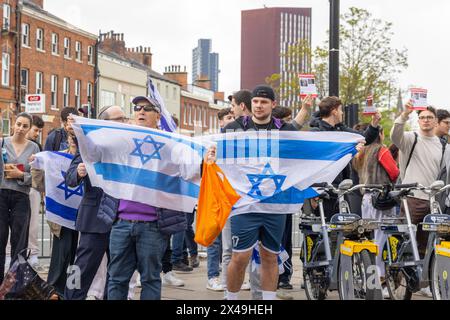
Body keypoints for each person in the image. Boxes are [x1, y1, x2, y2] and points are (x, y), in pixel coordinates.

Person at [217, 85, 312, 300]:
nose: (259, 106)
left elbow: (306, 153)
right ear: (250, 104)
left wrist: (351, 146)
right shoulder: (233, 128)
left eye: (264, 102)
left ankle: (267, 302)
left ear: (273, 104)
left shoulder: (283, 130)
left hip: (274, 204)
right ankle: (230, 300)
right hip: (244, 204)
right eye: (256, 102)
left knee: (270, 256)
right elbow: (222, 158)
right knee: (240, 257)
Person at [107, 96, 172, 300]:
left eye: (148, 108)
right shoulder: (123, 141)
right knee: (116, 278)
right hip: (122, 223)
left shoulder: (170, 144)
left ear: (158, 116)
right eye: (137, 108)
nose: (141, 111)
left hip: (153, 225)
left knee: (151, 279)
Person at [63, 106, 125, 300]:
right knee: (80, 269)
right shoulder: (90, 144)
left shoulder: (129, 147)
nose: (124, 122)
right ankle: (70, 297)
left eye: (125, 118)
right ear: (106, 122)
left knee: (117, 273)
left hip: (122, 219)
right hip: (94, 219)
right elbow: (70, 178)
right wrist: (79, 171)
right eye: (119, 119)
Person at [391, 103, 443, 297]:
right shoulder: (410, 138)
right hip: (412, 199)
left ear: (436, 121)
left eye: (430, 117)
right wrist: (404, 114)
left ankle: (427, 282)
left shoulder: (443, 144)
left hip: (434, 201)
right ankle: (397, 282)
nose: (426, 120)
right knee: (406, 242)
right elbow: (395, 135)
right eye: (423, 117)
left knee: (429, 245)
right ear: (418, 120)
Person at [308, 97, 381, 220]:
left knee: (343, 229)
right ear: (334, 111)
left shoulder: (341, 130)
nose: (342, 113)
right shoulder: (316, 132)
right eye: (341, 110)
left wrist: (374, 123)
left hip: (341, 188)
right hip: (321, 191)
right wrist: (311, 192)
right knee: (322, 232)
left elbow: (364, 138)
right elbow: (310, 165)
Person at [353, 126, 399, 297]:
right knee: (382, 239)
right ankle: (380, 280)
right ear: (380, 134)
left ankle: (369, 280)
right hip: (381, 199)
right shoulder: (381, 150)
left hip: (366, 198)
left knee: (369, 240)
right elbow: (394, 172)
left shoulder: (360, 152)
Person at [0, 113, 40, 284]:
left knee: (19, 242)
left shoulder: (34, 149)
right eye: (18, 124)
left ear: (29, 128)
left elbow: (38, 178)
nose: (21, 129)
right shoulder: (2, 143)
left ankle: (12, 286)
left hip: (21, 197)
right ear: (13, 125)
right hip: (1, 195)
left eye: (25, 126)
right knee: (0, 239)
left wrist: (21, 175)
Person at [45, 107, 80, 297]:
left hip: (81, 215)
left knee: (78, 255)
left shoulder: (86, 154)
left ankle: (73, 290)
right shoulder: (56, 145)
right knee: (61, 253)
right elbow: (44, 166)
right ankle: (54, 290)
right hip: (61, 211)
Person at [26, 115, 44, 269]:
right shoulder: (8, 144)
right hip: (15, 188)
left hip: (33, 188)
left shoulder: (36, 147)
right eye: (36, 130)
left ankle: (33, 254)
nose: (37, 133)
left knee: (33, 223)